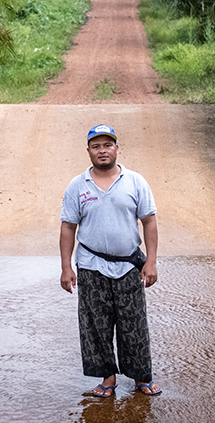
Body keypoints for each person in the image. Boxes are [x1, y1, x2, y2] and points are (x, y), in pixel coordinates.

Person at [59, 123, 162, 398]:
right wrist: (66, 267)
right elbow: (68, 227)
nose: (102, 151)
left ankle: (142, 377)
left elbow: (149, 222)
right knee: (96, 325)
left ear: (116, 148)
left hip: (129, 267)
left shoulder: (135, 181)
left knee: (134, 324)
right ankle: (108, 379)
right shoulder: (78, 185)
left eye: (107, 145)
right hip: (91, 267)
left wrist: (150, 262)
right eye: (96, 146)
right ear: (89, 151)